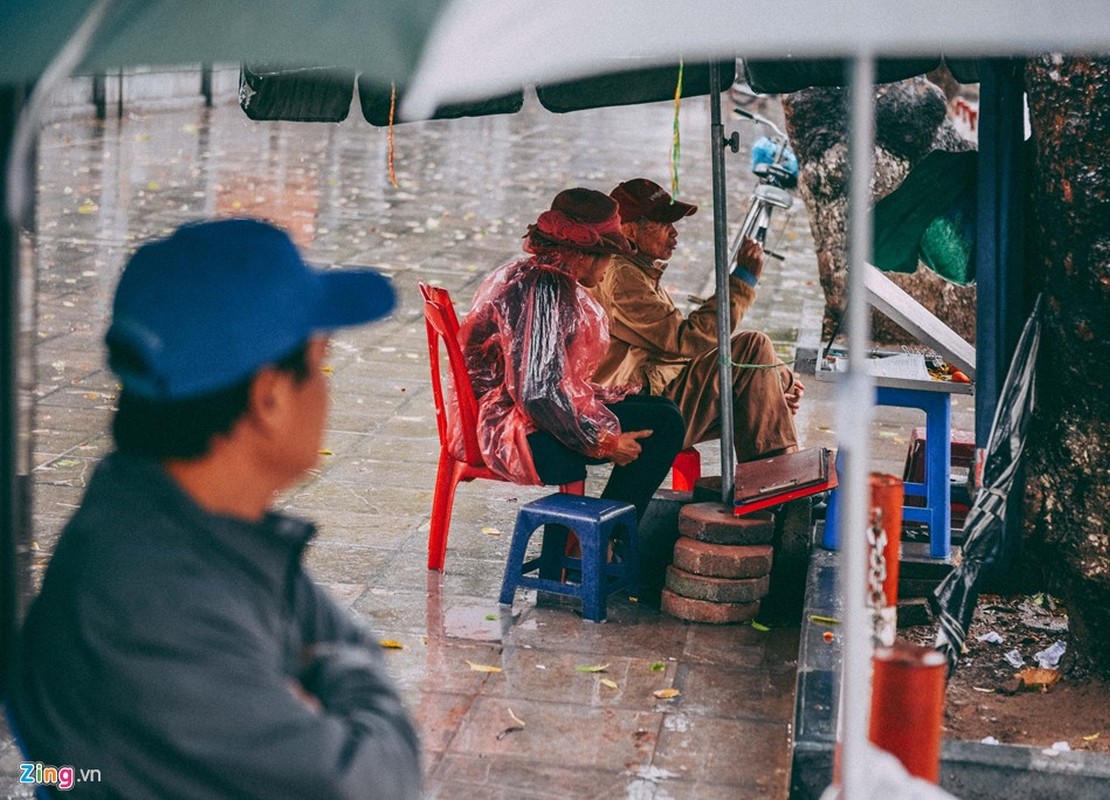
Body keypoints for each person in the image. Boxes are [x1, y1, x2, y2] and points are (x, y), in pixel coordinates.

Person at [7, 219, 421, 799]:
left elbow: (337, 636)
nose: (327, 392)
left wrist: (317, 674)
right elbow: (378, 782)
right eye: (321, 365)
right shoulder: (159, 606)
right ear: (270, 397)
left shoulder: (180, 518)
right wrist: (335, 672)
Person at [457, 188, 685, 520]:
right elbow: (536, 394)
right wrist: (603, 441)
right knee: (664, 425)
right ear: (585, 254)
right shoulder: (546, 290)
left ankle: (599, 533)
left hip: (517, 415)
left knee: (662, 411)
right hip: (516, 434)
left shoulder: (536, 275)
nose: (609, 267)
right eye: (608, 256)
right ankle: (603, 538)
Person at [592, 177, 804, 462]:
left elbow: (684, 348)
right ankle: (781, 481)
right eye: (664, 224)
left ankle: (779, 483)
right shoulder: (621, 276)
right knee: (753, 346)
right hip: (642, 404)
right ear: (629, 230)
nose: (674, 233)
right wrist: (743, 281)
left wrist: (779, 378)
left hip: (662, 387)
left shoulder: (637, 269)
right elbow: (687, 340)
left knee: (762, 386)